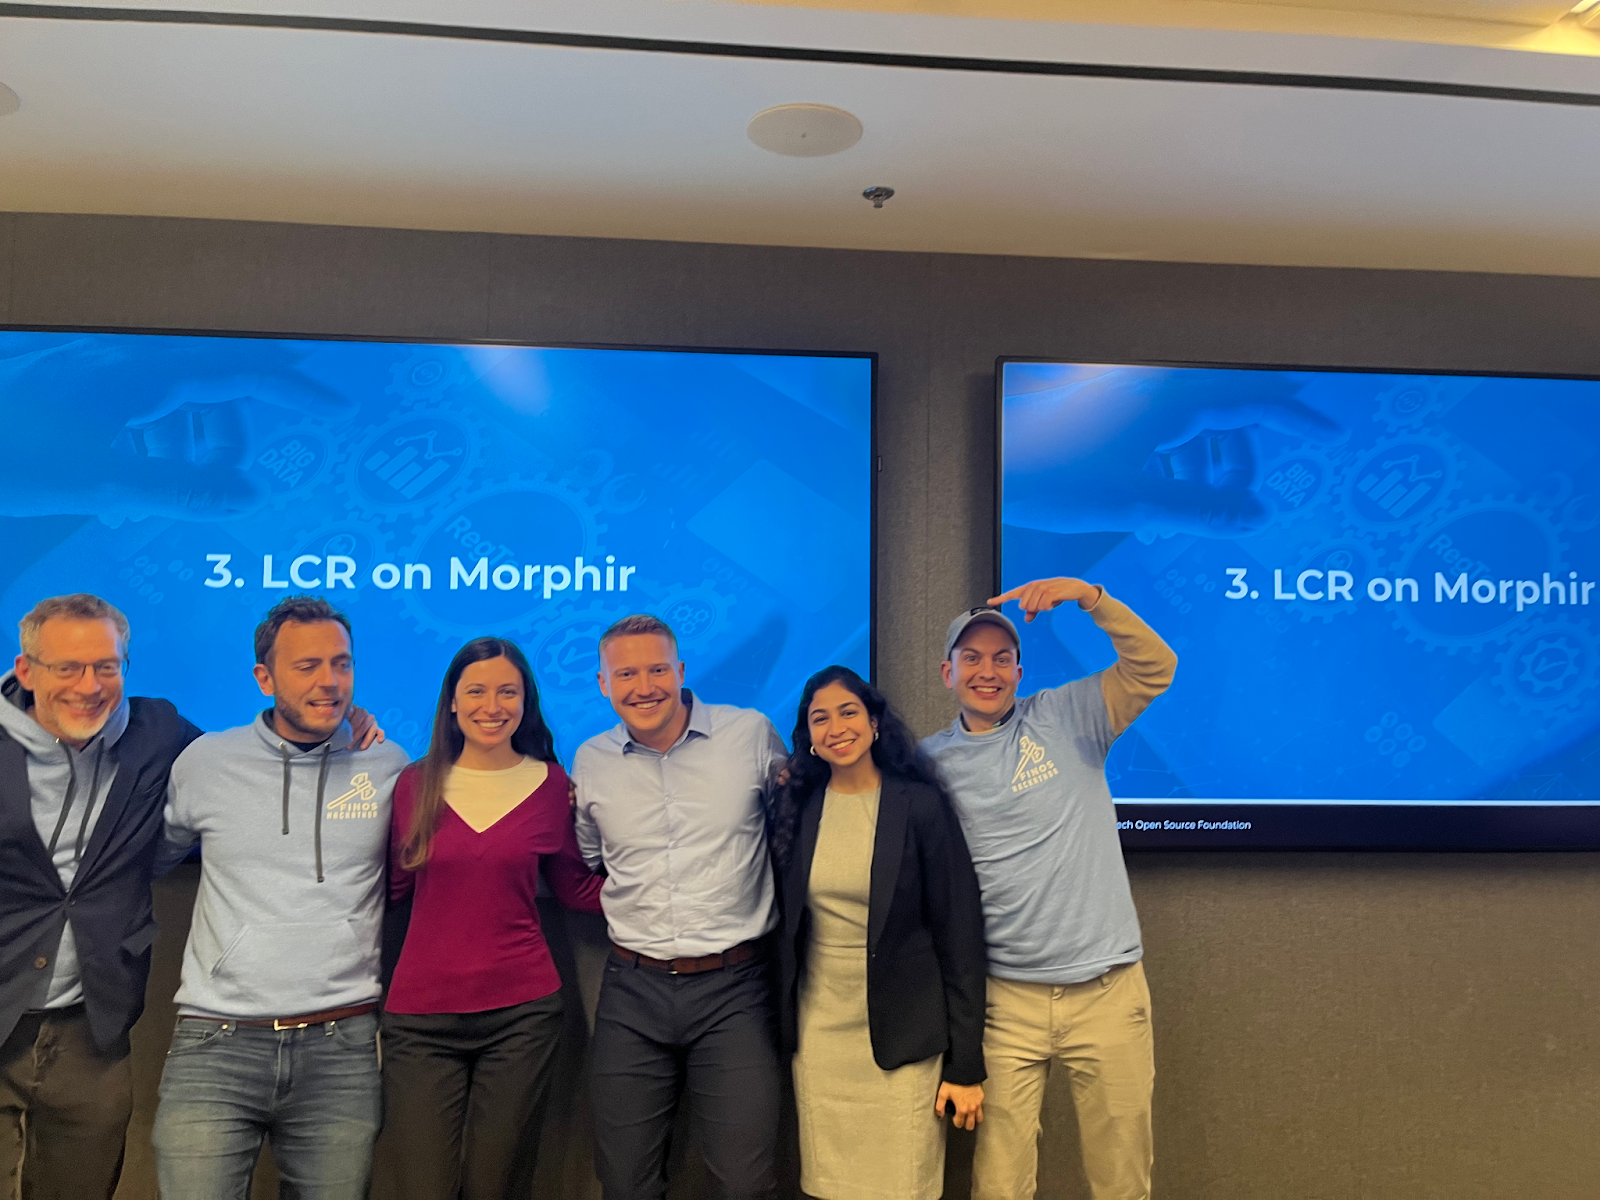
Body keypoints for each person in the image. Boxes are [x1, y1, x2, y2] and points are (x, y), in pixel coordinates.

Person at [921, 577, 1177, 1200]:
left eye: (1002, 659)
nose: (988, 671)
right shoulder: (927, 764)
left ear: (1019, 671)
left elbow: (1155, 667)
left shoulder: (1068, 716)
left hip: (1107, 990)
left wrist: (1092, 598)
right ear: (948, 673)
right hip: (1005, 1001)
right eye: (972, 658)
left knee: (1122, 1181)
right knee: (999, 1184)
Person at [151, 594, 409, 1200]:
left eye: (341, 664)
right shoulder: (206, 763)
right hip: (215, 1042)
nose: (330, 681)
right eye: (307, 666)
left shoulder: (386, 763)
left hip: (341, 1047)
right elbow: (147, 860)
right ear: (264, 678)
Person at [572, 614, 787, 1200]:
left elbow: (791, 827)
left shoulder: (751, 735)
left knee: (745, 1183)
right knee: (624, 1182)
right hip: (632, 989)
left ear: (682, 671)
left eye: (658, 670)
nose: (644, 687)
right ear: (603, 683)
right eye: (626, 674)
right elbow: (591, 857)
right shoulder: (590, 760)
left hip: (735, 989)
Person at [381, 636, 604, 1200]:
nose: (492, 705)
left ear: (526, 701)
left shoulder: (552, 785)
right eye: (476, 691)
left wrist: (679, 888)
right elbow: (392, 889)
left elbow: (577, 890)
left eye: (508, 691)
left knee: (496, 1187)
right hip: (420, 1023)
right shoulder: (413, 784)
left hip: (521, 1018)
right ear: (452, 702)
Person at [0, 594, 200, 1199]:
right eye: (68, 667)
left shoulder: (157, 733)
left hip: (94, 1028)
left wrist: (343, 725)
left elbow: (249, 761)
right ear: (26, 670)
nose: (89, 686)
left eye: (106, 667)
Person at [769, 666, 987, 1200]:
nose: (836, 728)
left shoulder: (919, 805)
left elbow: (960, 936)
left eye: (848, 712)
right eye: (820, 718)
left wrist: (966, 1064)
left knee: (903, 1185)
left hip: (904, 1036)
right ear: (809, 736)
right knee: (829, 1185)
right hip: (820, 1036)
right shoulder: (797, 806)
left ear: (873, 723)